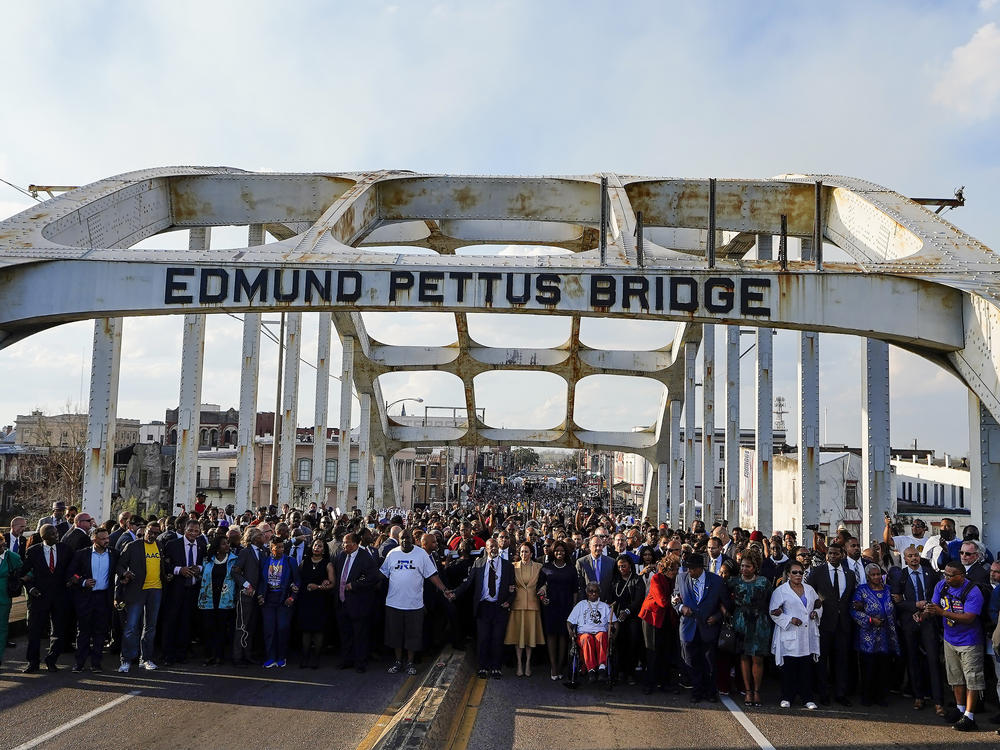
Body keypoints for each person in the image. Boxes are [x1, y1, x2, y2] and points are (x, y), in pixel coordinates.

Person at [924, 560, 987, 731]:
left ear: (962, 575)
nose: (947, 578)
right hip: (950, 639)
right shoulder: (941, 585)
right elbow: (935, 604)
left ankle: (969, 716)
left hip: (970, 641)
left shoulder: (973, 591)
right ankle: (960, 710)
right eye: (945, 574)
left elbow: (969, 618)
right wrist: (926, 612)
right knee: (955, 678)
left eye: (951, 576)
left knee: (972, 680)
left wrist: (942, 612)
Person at [381, 530, 452, 676]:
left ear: (412, 539)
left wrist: (444, 589)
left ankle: (410, 663)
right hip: (394, 603)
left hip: (414, 604)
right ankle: (398, 662)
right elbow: (382, 574)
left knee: (412, 636)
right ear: (398, 539)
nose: (405, 541)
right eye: (402, 539)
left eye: (407, 538)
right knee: (396, 635)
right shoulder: (392, 554)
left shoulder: (421, 554)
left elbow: (432, 575)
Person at [889, 546, 944, 714]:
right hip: (910, 624)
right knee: (912, 660)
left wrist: (927, 608)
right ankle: (918, 696)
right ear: (905, 559)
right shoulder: (901, 576)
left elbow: (938, 594)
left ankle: (938, 701)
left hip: (929, 621)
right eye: (910, 556)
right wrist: (914, 605)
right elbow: (897, 602)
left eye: (916, 555)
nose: (914, 558)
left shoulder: (930, 573)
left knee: (933, 660)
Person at [454, 537, 514, 679]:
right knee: (483, 638)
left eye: (495, 547)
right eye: (490, 547)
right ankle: (482, 667)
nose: (493, 549)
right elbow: (468, 583)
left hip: (499, 607)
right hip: (484, 606)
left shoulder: (508, 566)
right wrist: (454, 593)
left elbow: (513, 588)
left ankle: (496, 668)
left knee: (497, 638)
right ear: (486, 549)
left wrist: (509, 601)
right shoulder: (479, 564)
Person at [806, 542, 856, 705]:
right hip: (823, 622)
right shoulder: (817, 572)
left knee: (841, 660)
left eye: (836, 553)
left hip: (843, 624)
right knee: (822, 660)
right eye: (830, 553)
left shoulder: (849, 574)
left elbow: (849, 597)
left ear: (842, 554)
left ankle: (840, 693)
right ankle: (823, 693)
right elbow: (810, 594)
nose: (833, 556)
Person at [674, 553, 727, 703]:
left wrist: (716, 617)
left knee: (709, 662)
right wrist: (681, 607)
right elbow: (674, 598)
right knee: (691, 661)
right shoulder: (681, 578)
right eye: (687, 568)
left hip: (708, 627)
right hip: (688, 627)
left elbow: (725, 605)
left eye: (692, 569)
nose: (689, 572)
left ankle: (710, 691)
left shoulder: (716, 581)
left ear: (700, 568)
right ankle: (696, 691)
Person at [768, 560, 820, 709]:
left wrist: (815, 613)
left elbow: (818, 605)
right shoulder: (781, 591)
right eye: (795, 572)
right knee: (789, 669)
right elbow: (773, 612)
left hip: (806, 634)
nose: (798, 575)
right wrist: (790, 619)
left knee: (806, 668)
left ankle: (807, 698)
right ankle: (787, 697)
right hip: (790, 633)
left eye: (801, 572)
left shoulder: (809, 589)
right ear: (788, 574)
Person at [20, 523, 71, 673]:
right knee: (34, 631)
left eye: (57, 533)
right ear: (44, 537)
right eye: (53, 534)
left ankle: (52, 660)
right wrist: (31, 588)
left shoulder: (65, 549)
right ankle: (33, 662)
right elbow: (24, 574)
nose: (57, 536)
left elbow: (74, 568)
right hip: (39, 597)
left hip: (59, 596)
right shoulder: (33, 551)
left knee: (58, 631)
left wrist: (72, 579)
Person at [116, 520, 165, 672]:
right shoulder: (133, 546)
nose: (153, 536)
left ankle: (146, 659)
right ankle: (126, 659)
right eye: (151, 532)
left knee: (150, 626)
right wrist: (125, 573)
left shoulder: (160, 546)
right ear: (145, 530)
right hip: (137, 590)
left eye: (156, 533)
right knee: (131, 627)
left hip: (156, 589)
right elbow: (119, 565)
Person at [67, 527, 117, 672]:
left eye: (107, 538)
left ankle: (96, 663)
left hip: (104, 597)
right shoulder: (82, 554)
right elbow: (71, 573)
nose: (106, 541)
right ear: (94, 540)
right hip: (86, 598)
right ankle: (79, 663)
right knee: (83, 631)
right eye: (102, 538)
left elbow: (119, 569)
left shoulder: (113, 554)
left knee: (100, 632)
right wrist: (83, 581)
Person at [727, 549, 772, 707]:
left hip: (760, 622)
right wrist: (726, 613)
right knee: (744, 657)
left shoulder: (764, 582)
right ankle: (747, 691)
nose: (744, 569)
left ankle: (757, 691)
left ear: (755, 567)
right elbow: (722, 597)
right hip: (741, 622)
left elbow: (770, 601)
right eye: (742, 566)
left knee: (758, 658)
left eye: (747, 566)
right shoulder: (734, 581)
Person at [851, 563, 899, 706]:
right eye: (873, 575)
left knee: (883, 667)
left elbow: (897, 606)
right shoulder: (861, 590)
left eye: (878, 574)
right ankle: (867, 696)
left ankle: (882, 696)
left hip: (886, 635)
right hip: (868, 636)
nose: (877, 577)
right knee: (868, 667)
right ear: (868, 576)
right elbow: (854, 610)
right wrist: (870, 620)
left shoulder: (888, 590)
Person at [162, 519, 207, 665]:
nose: (193, 533)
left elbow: (204, 562)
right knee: (171, 621)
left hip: (192, 589)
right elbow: (165, 565)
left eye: (196, 531)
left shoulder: (201, 545)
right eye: (190, 530)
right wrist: (179, 570)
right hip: (176, 589)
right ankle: (168, 655)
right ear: (184, 530)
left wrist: (198, 568)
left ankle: (182, 653)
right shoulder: (173, 545)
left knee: (186, 622)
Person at [333, 533, 379, 672]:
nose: (344, 545)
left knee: (359, 634)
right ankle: (347, 660)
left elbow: (374, 577)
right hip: (342, 602)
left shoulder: (365, 557)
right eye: (343, 542)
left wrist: (355, 585)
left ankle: (360, 662)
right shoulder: (341, 556)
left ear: (355, 544)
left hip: (358, 603)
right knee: (345, 633)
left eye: (347, 543)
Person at [256, 538, 300, 668]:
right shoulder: (265, 561)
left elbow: (297, 581)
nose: (280, 550)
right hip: (268, 600)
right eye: (277, 547)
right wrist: (260, 595)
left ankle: (282, 656)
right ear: (271, 548)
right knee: (269, 629)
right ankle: (270, 657)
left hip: (283, 599)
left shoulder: (290, 561)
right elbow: (261, 581)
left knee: (282, 628)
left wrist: (292, 597)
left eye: (282, 547)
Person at [505, 542, 546, 677]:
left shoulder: (539, 567)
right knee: (518, 637)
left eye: (526, 552)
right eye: (522, 552)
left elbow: (545, 582)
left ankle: (527, 663)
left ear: (532, 553)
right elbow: (508, 582)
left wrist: (544, 588)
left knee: (530, 637)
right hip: (517, 605)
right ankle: (519, 664)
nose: (524, 554)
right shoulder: (513, 567)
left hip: (533, 605)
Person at [197, 532, 237, 667]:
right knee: (208, 628)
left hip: (225, 599)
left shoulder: (234, 560)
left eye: (228, 543)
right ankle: (208, 656)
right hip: (208, 598)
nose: (227, 545)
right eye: (224, 543)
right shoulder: (207, 560)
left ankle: (219, 656)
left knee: (221, 629)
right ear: (217, 547)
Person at [566, 582, 617, 681]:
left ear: (599, 593)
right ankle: (591, 670)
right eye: (591, 591)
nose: (593, 593)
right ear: (587, 593)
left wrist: (614, 635)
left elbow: (615, 623)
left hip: (600, 632)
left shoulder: (605, 606)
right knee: (586, 638)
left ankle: (602, 667)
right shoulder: (580, 605)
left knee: (601, 635)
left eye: (596, 591)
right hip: (584, 634)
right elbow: (569, 622)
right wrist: (570, 631)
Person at [540, 539, 576, 680]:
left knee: (563, 636)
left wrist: (573, 608)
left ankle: (560, 666)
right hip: (550, 606)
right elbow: (540, 588)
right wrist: (543, 600)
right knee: (551, 635)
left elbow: (575, 590)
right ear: (552, 552)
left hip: (566, 606)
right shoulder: (546, 567)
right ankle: (553, 666)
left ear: (566, 552)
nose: (559, 553)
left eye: (561, 550)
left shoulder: (571, 568)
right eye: (556, 550)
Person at [296, 537, 332, 669]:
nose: (317, 548)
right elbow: (297, 579)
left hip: (320, 601)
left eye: (320, 546)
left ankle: (316, 658)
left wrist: (319, 587)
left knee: (318, 632)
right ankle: (305, 656)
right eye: (315, 545)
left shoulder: (327, 564)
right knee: (306, 631)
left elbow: (332, 583)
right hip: (305, 600)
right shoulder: (304, 562)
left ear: (324, 550)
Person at [232, 526, 265, 666]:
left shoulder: (264, 553)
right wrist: (246, 585)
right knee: (242, 626)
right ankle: (238, 657)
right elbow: (235, 571)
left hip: (257, 596)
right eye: (261, 535)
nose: (264, 537)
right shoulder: (245, 552)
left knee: (251, 626)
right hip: (245, 595)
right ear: (254, 537)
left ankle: (248, 654)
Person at [611, 555, 645, 684]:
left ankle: (630, 672)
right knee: (619, 644)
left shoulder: (637, 580)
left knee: (632, 643)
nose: (621, 569)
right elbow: (612, 597)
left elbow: (638, 600)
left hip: (632, 617)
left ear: (630, 565)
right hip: (617, 617)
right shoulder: (615, 580)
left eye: (624, 566)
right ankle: (619, 671)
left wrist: (627, 611)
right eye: (619, 566)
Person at [0, 532, 23, 670]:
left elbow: (25, 570)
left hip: (4, 598)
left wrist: (21, 580)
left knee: (2, 628)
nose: (1, 547)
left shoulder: (11, 557)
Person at [576, 535, 614, 602]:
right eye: (595, 545)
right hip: (587, 602)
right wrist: (584, 601)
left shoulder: (611, 562)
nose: (598, 548)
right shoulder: (581, 562)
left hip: (605, 602)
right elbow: (580, 585)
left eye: (600, 545)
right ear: (590, 547)